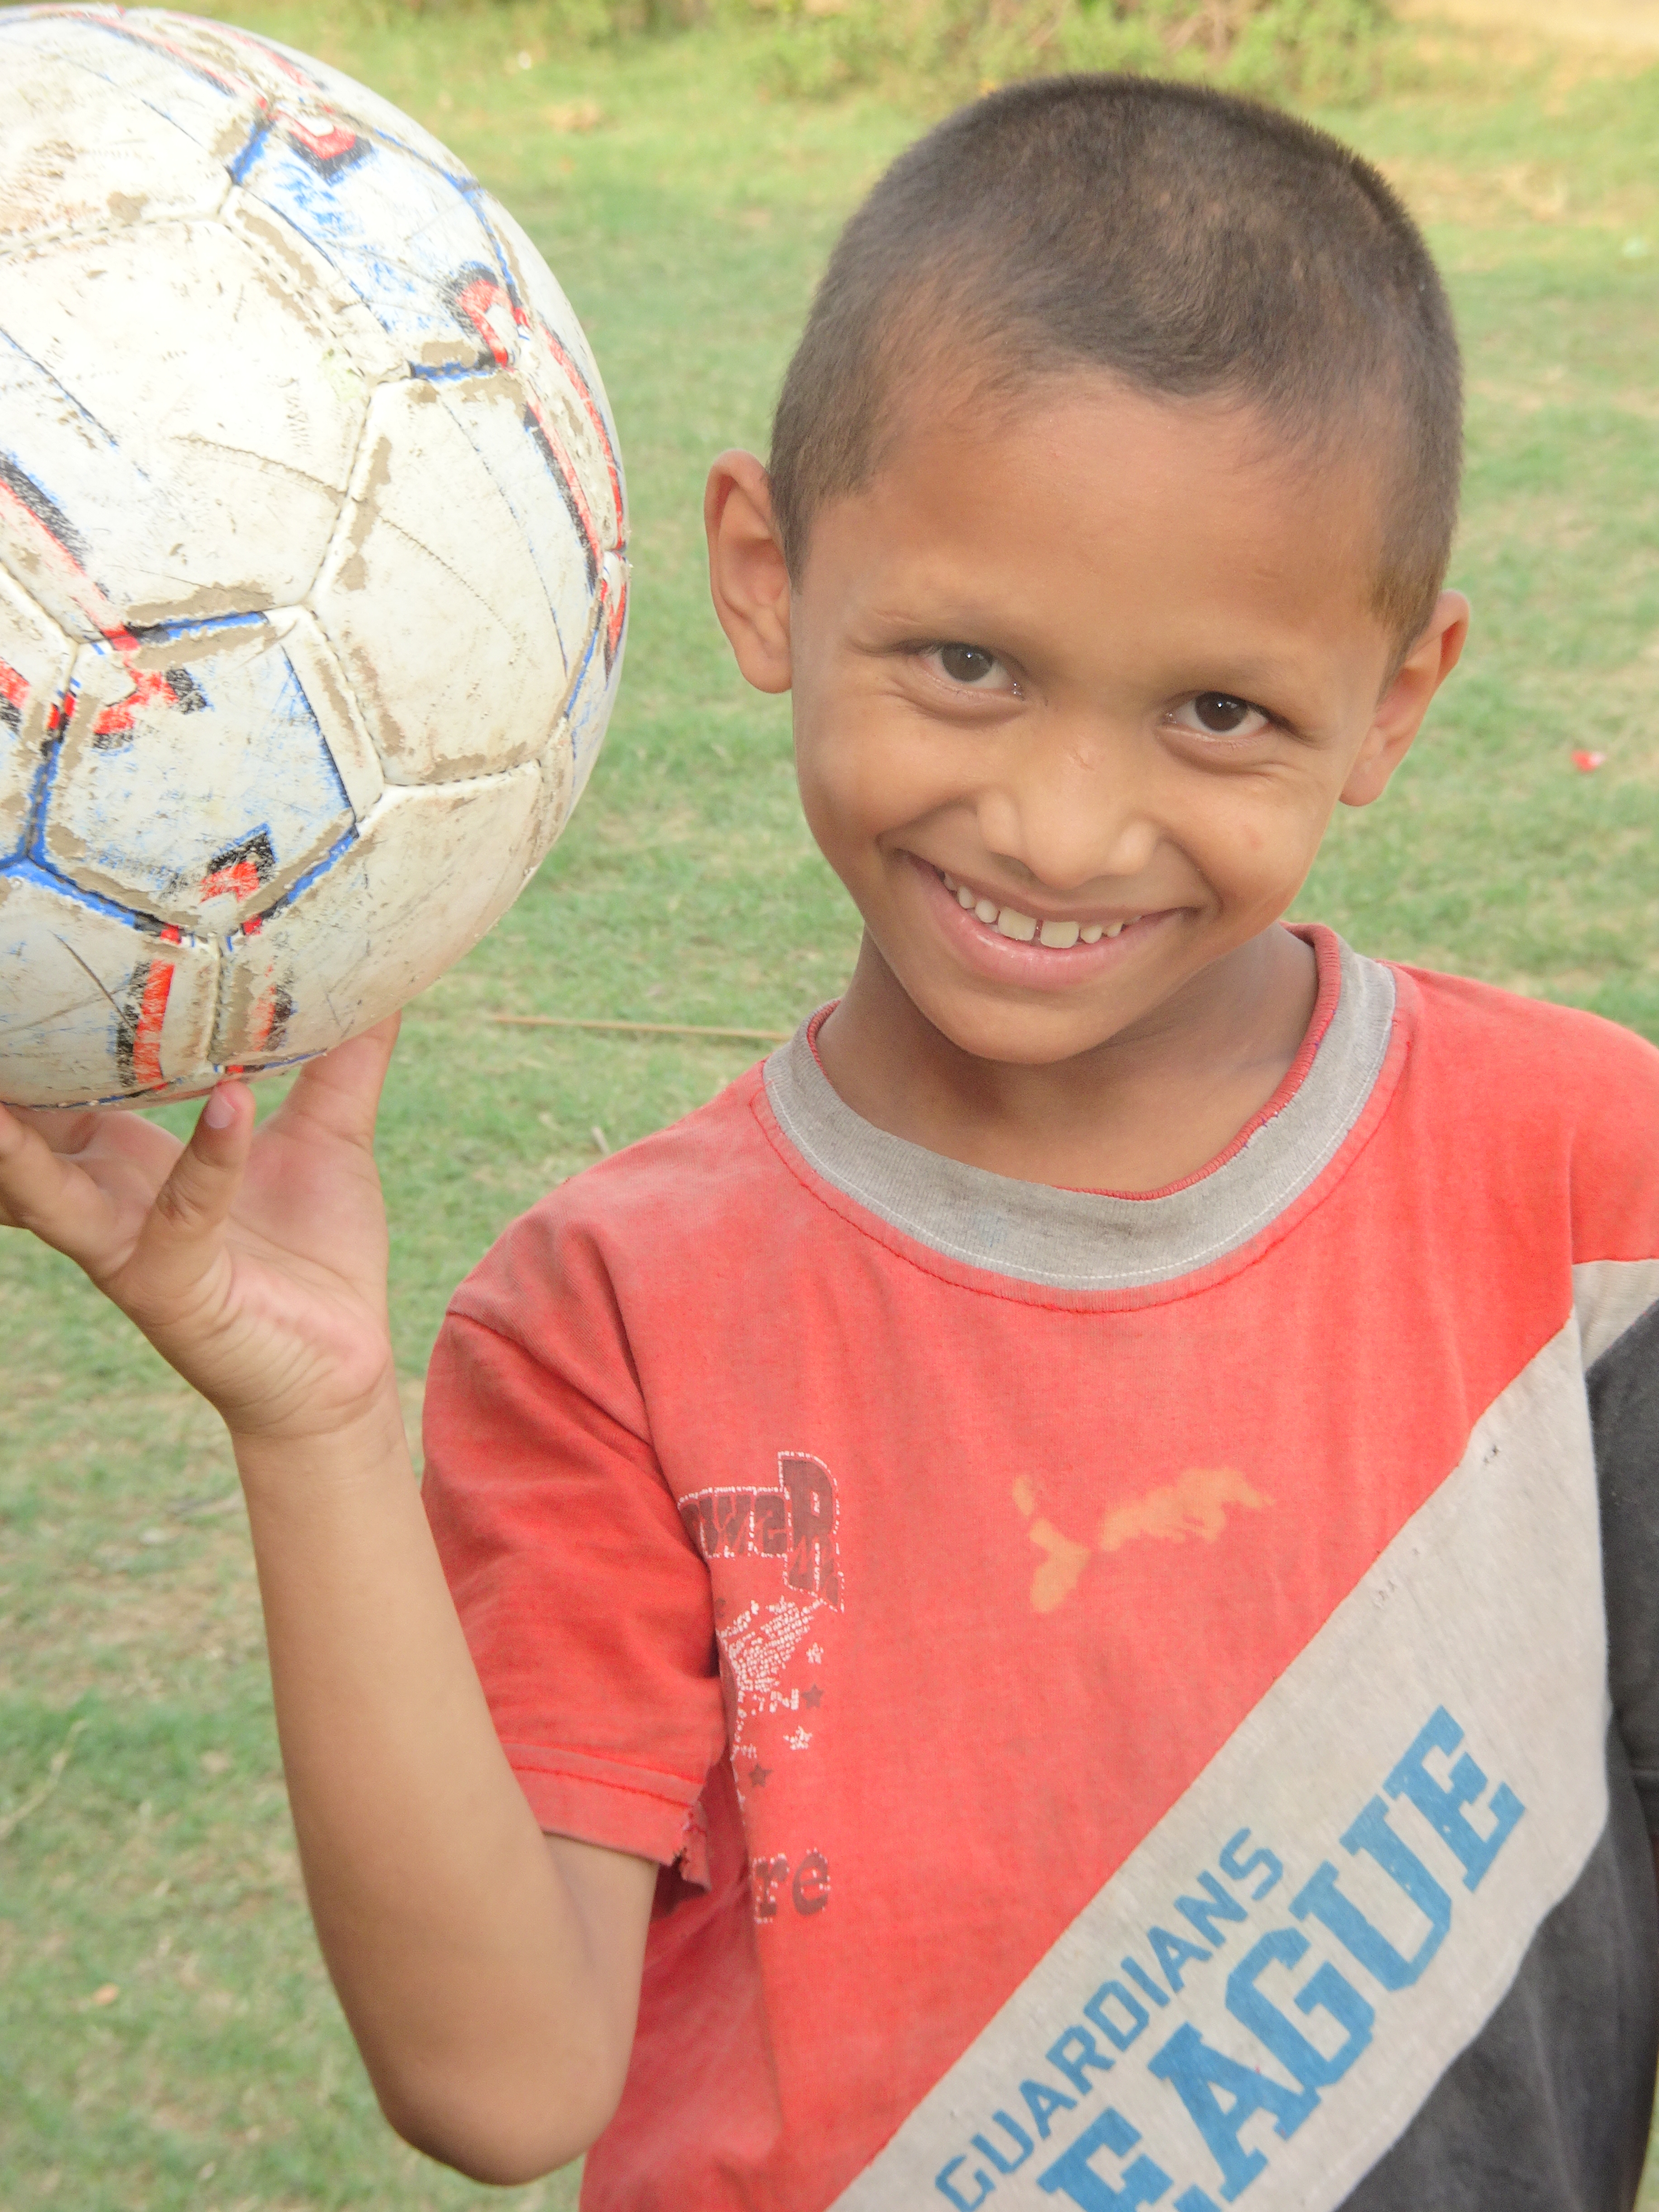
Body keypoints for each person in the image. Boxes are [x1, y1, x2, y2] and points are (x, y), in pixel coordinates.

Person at [2, 70, 1656, 2212]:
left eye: (1219, 713)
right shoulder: (622, 1318)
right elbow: (505, 2086)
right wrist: (313, 1424)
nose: (1063, 823)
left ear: (1398, 701)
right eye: (967, 663)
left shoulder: (1589, 1194)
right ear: (765, 580)